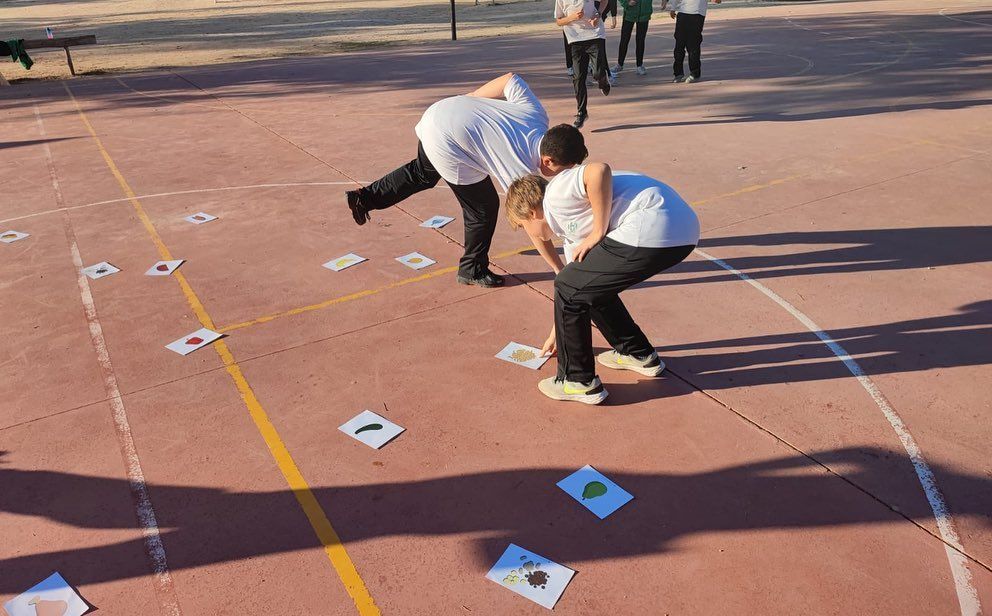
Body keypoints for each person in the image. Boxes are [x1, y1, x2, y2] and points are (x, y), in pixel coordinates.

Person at [504, 125, 699, 405]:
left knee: (572, 285)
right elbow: (573, 291)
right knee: (582, 285)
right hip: (680, 230)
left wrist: (597, 231)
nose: (530, 234)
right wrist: (558, 333)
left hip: (652, 225)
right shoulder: (571, 228)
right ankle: (637, 354)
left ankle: (577, 381)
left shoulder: (556, 192)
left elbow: (598, 170)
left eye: (524, 226)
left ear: (533, 211)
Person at [345, 73, 549, 288]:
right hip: (447, 137)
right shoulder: (521, 166)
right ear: (550, 159)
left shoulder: (537, 115)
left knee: (422, 173)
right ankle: (472, 269)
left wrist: (469, 99)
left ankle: (365, 198)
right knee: (482, 208)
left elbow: (510, 79)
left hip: (440, 114)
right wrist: (558, 266)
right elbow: (530, 221)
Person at [555, 0, 611, 129]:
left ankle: (603, 81)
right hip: (575, 39)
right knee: (578, 77)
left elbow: (604, 1)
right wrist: (571, 17)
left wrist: (598, 14)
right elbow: (559, 21)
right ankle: (581, 113)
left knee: (597, 72)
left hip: (595, 34)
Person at [668, 0, 720, 82]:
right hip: (682, 13)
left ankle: (694, 73)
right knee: (679, 45)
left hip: (697, 14)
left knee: (693, 46)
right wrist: (672, 9)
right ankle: (678, 73)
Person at [614, 0, 652, 76]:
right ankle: (620, 64)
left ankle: (639, 65)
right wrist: (626, 3)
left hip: (644, 15)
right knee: (624, 39)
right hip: (629, 14)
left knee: (640, 40)